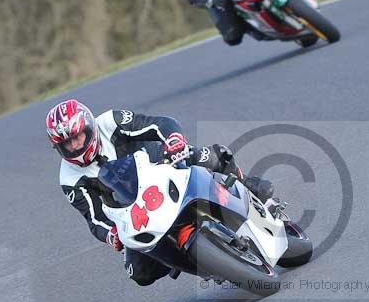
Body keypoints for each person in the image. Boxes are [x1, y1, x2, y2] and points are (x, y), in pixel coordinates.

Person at [47, 99, 273, 286]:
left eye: (79, 136)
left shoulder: (110, 122)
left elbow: (156, 124)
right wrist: (111, 235)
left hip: (163, 164)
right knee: (139, 272)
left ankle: (246, 185)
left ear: (90, 128)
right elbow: (94, 217)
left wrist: (173, 139)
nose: (76, 146)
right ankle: (205, 262)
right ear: (59, 149)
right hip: (135, 210)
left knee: (211, 156)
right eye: (68, 143)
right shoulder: (69, 178)